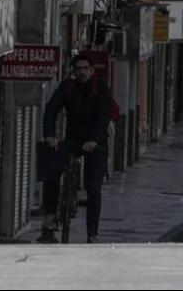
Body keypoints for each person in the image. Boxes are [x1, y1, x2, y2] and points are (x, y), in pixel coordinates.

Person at [38, 54, 114, 244]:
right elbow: (51, 108)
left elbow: (104, 115)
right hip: (72, 141)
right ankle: (50, 216)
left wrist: (95, 140)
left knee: (93, 189)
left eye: (85, 68)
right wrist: (49, 135)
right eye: (78, 69)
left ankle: (92, 233)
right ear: (74, 71)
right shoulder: (68, 87)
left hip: (96, 144)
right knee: (52, 171)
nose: (82, 72)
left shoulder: (101, 88)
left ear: (92, 70)